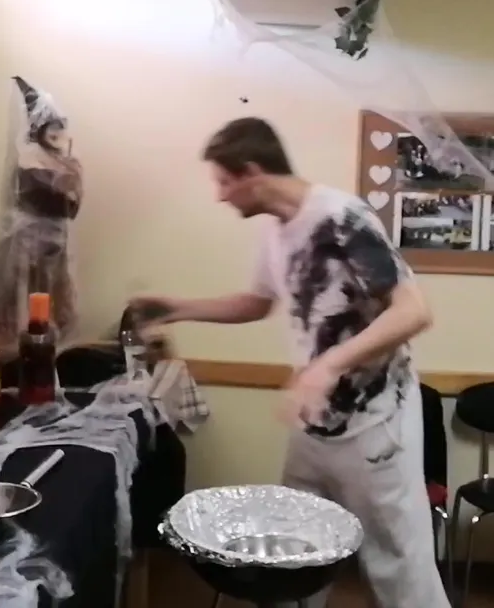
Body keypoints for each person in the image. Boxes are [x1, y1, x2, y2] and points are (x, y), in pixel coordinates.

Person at [132, 117, 449, 608]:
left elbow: (414, 312)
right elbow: (257, 303)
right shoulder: (277, 232)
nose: (219, 196)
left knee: (398, 565)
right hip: (313, 421)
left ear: (252, 171)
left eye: (224, 181)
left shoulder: (343, 217)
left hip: (377, 423)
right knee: (296, 554)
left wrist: (328, 366)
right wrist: (177, 308)